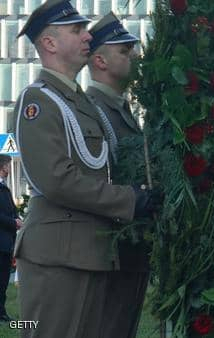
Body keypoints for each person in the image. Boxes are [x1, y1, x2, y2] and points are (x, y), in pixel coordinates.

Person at [14, 1, 154, 337]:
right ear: (49, 43)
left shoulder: (79, 103)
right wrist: (129, 200)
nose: (86, 38)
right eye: (76, 31)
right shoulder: (39, 100)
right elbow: (56, 179)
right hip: (57, 256)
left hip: (89, 253)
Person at [86, 13, 148, 338]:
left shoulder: (120, 110)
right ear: (100, 60)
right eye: (124, 51)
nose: (134, 56)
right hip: (110, 252)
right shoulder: (92, 110)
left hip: (130, 252)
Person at [0, 155, 21, 322]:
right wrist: (14, 222)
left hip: (6, 242)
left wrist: (18, 218)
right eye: (7, 165)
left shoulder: (4, 188)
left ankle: (1, 312)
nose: (9, 169)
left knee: (3, 281)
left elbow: (11, 209)